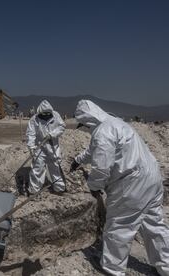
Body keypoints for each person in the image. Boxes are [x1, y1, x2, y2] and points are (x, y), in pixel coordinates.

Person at [70, 100, 169, 275]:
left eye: (84, 125)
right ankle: (166, 266)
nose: (84, 128)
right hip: (152, 178)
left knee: (119, 226)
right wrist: (78, 160)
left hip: (132, 184)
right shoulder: (116, 124)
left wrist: (94, 186)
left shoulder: (102, 132)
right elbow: (94, 151)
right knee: (154, 224)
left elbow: (101, 167)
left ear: (87, 120)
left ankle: (112, 268)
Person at [26, 100, 66, 194]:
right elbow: (30, 134)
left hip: (53, 147)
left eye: (48, 114)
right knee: (37, 169)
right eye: (44, 114)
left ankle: (59, 189)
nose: (46, 116)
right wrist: (31, 147)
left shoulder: (56, 115)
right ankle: (33, 191)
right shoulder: (34, 119)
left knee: (55, 167)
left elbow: (62, 127)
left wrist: (52, 134)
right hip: (40, 147)